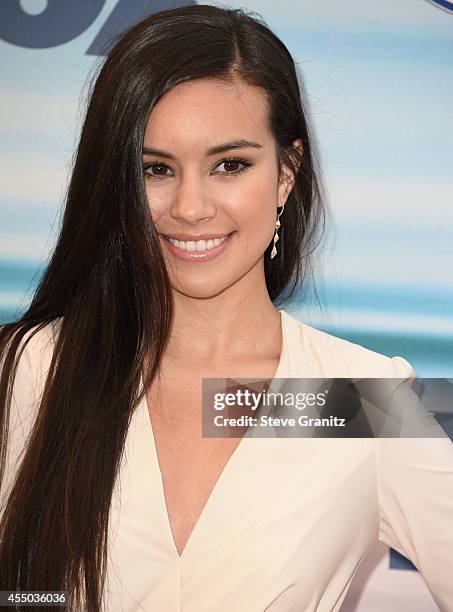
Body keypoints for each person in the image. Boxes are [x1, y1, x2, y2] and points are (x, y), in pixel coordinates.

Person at [0, 5, 452, 612]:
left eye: (229, 165)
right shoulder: (32, 370)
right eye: (156, 169)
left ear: (287, 174)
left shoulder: (351, 400)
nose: (190, 207)